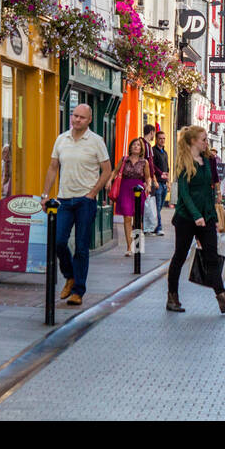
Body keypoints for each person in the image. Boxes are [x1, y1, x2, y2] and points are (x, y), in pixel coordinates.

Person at [166, 126, 225, 314]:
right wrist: (196, 215)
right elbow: (184, 193)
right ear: (193, 141)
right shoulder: (184, 162)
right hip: (186, 217)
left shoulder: (208, 160)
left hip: (206, 217)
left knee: (211, 256)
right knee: (180, 256)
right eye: (203, 139)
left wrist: (211, 216)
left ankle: (222, 297)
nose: (206, 142)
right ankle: (172, 297)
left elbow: (210, 190)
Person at [42, 103, 112, 306]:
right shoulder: (61, 139)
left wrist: (93, 193)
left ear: (89, 120)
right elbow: (53, 167)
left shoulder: (96, 141)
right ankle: (70, 276)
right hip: (63, 199)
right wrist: (45, 194)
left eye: (81, 117)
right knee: (58, 241)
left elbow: (106, 170)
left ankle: (78, 291)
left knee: (82, 247)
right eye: (74, 116)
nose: (76, 120)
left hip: (85, 201)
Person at [111, 137, 153, 256]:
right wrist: (109, 180)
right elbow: (115, 171)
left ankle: (138, 246)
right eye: (133, 145)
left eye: (138, 145)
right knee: (127, 218)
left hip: (138, 190)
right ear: (130, 147)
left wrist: (148, 185)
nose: (136, 146)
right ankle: (129, 247)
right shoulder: (124, 159)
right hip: (125, 189)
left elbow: (147, 177)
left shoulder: (144, 162)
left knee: (138, 219)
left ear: (141, 149)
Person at [151, 129, 170, 236]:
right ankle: (158, 227)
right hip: (157, 183)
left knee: (160, 206)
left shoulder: (165, 152)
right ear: (156, 140)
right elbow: (152, 167)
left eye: (164, 139)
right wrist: (155, 180)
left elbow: (167, 168)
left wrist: (168, 182)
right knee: (157, 206)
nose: (162, 141)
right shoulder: (153, 151)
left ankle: (154, 225)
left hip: (164, 183)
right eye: (160, 139)